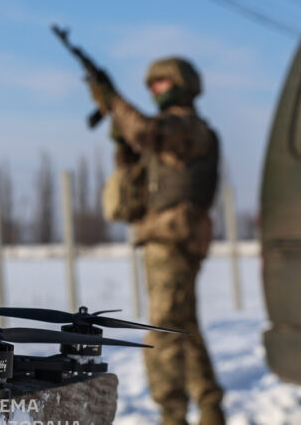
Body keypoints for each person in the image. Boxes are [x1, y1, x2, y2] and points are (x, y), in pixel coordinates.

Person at [89, 57, 225, 425]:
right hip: (163, 237)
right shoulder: (172, 131)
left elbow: (148, 133)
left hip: (175, 237)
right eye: (152, 86)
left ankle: (172, 415)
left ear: (183, 85)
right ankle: (211, 408)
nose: (154, 91)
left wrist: (115, 101)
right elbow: (135, 161)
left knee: (163, 329)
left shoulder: (190, 127)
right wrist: (117, 123)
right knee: (184, 327)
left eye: (162, 84)